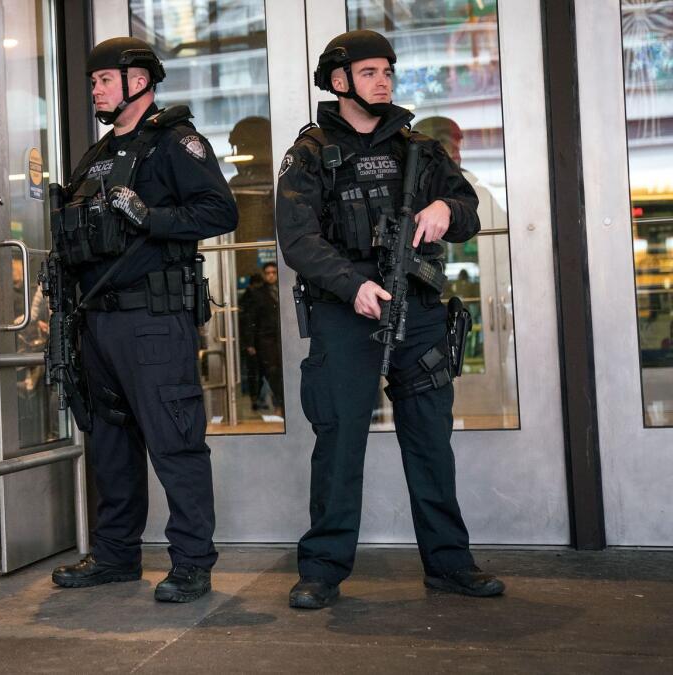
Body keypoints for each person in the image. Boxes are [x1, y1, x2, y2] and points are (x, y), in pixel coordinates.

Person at [276, 29, 505, 609]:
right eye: (370, 72)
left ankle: (450, 564)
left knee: (430, 440)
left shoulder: (419, 149)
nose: (383, 81)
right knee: (339, 441)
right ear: (339, 80)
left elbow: (470, 212)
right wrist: (353, 286)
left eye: (388, 72)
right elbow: (298, 239)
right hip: (345, 311)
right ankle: (323, 569)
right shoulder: (309, 154)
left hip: (419, 308)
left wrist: (444, 208)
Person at [48, 37, 238, 603]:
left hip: (153, 320)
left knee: (174, 441)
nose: (97, 89)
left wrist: (150, 216)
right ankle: (115, 555)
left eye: (106, 79)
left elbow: (220, 210)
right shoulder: (98, 154)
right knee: (110, 444)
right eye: (94, 81)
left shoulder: (176, 143)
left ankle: (191, 562)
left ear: (139, 81)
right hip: (97, 321)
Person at [239, 262, 283, 414]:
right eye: (268, 273)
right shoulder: (258, 293)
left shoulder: (283, 290)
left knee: (281, 371)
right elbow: (251, 319)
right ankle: (279, 404)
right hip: (265, 340)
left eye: (274, 272)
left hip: (282, 338)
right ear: (264, 275)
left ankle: (280, 404)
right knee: (272, 372)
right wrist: (250, 343)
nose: (271, 275)